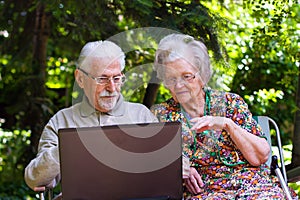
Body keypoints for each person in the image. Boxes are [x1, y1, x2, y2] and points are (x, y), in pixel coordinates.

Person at [151, 33, 298, 199]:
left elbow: (261, 156)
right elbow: (152, 165)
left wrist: (228, 124)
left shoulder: (230, 103)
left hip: (253, 186)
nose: (179, 85)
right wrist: (179, 167)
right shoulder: (161, 115)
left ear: (202, 75)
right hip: (206, 192)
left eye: (186, 76)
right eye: (171, 79)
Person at [24, 40, 158, 192]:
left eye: (117, 78)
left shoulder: (141, 116)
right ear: (80, 78)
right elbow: (33, 179)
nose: (112, 87)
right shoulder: (62, 121)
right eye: (102, 79)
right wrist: (66, 148)